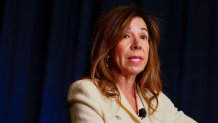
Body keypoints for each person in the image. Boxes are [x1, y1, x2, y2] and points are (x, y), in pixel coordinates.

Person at [67, 5, 197, 123]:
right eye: (126, 35)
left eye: (143, 37)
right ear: (107, 49)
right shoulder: (87, 92)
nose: (137, 45)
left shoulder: (156, 100)